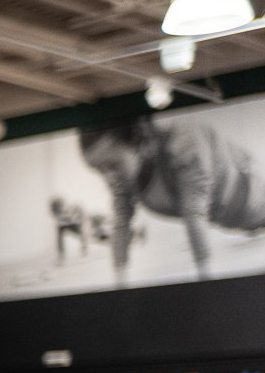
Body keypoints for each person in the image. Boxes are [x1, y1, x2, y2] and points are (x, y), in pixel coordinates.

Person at [80, 115, 265, 281]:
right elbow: (120, 225)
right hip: (237, 219)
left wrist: (206, 278)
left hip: (252, 199)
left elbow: (194, 212)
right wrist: (119, 282)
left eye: (114, 165)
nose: (109, 177)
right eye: (100, 170)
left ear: (139, 144)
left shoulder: (182, 142)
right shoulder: (125, 181)